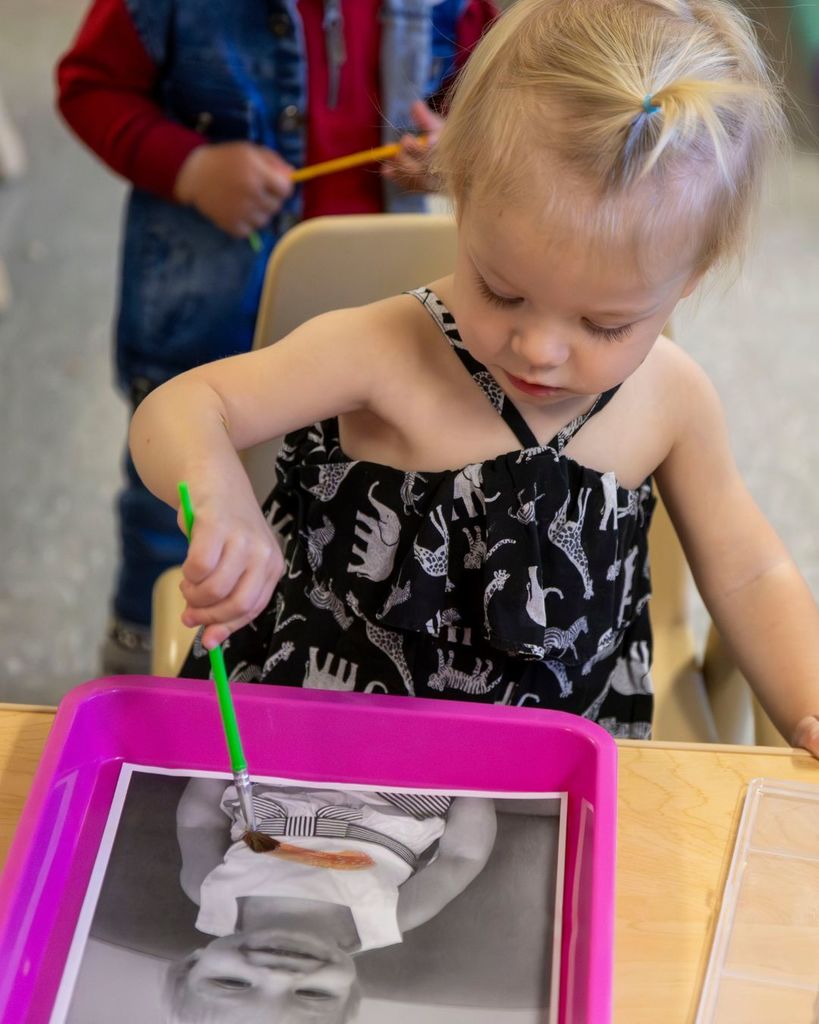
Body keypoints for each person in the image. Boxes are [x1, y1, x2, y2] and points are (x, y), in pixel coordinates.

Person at [130, 0, 819, 756]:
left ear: (688, 281)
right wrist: (217, 489)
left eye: (603, 324)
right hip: (327, 749)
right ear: (460, 200)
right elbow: (185, 405)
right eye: (502, 290)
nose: (540, 349)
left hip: (549, 772)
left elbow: (749, 572)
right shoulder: (382, 351)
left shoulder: (671, 398)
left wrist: (805, 704)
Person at [56, 0, 498, 674]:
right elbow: (89, 85)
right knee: (171, 506)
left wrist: (455, 146)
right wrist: (191, 169)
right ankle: (139, 657)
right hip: (210, 309)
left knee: (358, 500)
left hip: (376, 309)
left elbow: (485, 89)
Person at [164, 778, 496, 1022]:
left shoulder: (207, 892)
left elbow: (199, 822)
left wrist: (210, 761)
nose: (278, 974)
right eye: (312, 994)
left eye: (233, 982)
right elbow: (461, 859)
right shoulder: (387, 919)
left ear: (194, 962)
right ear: (350, 985)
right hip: (400, 791)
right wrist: (476, 784)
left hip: (276, 776)